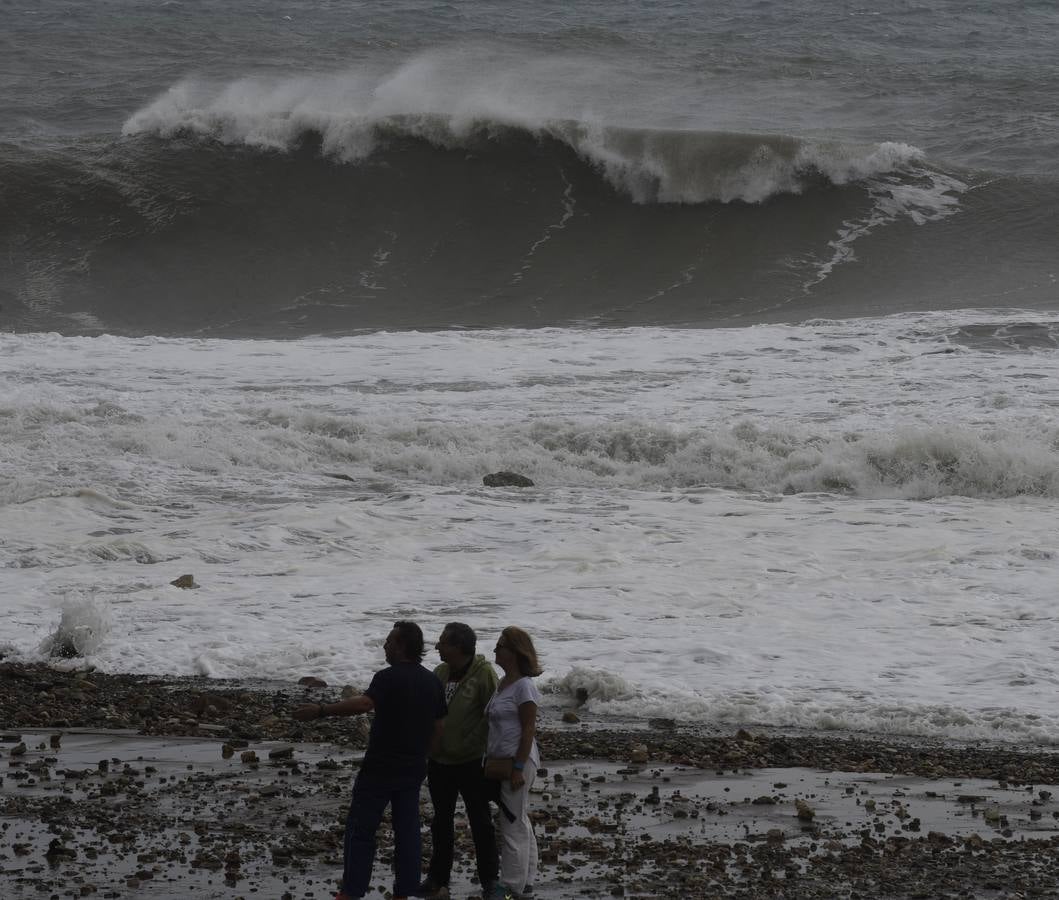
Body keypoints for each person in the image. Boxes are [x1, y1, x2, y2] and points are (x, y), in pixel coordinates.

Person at [293, 622, 446, 900]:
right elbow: (439, 727)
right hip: (413, 767)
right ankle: (405, 891)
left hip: (380, 766)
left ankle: (351, 892)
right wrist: (426, 757)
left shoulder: (387, 677)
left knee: (361, 830)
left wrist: (321, 710)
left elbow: (365, 704)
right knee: (408, 832)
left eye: (389, 641)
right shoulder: (432, 682)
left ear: (401, 646)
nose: (385, 646)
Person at [418, 623, 500, 900]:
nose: (437, 646)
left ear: (458, 647)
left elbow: (495, 714)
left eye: (443, 642)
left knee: (481, 821)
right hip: (439, 759)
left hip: (471, 760)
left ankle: (490, 879)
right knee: (441, 822)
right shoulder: (439, 673)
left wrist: (475, 741)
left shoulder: (484, 674)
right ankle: (438, 878)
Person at [486, 626, 543, 900]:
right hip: (504, 760)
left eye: (500, 646)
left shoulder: (524, 686)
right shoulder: (503, 683)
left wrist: (519, 767)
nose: (495, 650)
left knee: (511, 823)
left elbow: (528, 729)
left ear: (514, 652)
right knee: (518, 818)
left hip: (517, 762)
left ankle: (510, 887)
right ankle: (527, 880)